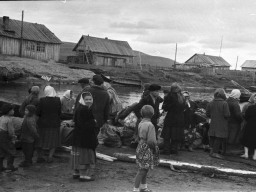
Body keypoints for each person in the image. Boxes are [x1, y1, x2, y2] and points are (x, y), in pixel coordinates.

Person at [72, 92, 98, 181]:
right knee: (86, 156)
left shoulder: (79, 108)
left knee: (77, 154)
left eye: (90, 99)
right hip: (85, 138)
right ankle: (84, 176)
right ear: (83, 100)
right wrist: (94, 122)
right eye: (86, 99)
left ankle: (76, 173)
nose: (89, 101)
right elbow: (84, 125)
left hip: (78, 137)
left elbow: (77, 122)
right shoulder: (85, 110)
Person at [133, 105, 159, 192]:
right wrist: (155, 148)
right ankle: (135, 189)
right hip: (147, 148)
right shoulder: (150, 125)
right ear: (152, 114)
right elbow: (151, 141)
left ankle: (143, 187)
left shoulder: (141, 123)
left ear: (141, 113)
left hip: (140, 146)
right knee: (143, 170)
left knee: (144, 168)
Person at [36, 85, 61, 163]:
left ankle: (40, 157)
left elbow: (38, 112)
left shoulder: (42, 100)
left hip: (43, 124)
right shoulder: (58, 100)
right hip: (54, 124)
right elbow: (59, 112)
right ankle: (50, 157)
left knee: (41, 140)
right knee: (53, 141)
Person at [161, 83, 185, 155]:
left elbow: (165, 108)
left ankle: (166, 150)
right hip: (180, 118)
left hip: (171, 117)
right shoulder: (182, 97)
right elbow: (184, 107)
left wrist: (165, 105)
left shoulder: (169, 96)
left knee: (167, 135)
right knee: (176, 134)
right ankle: (174, 150)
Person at [206, 88, 230, 159]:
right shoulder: (224, 103)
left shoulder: (210, 103)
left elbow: (207, 114)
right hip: (222, 123)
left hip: (213, 123)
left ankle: (211, 151)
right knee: (218, 138)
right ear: (223, 95)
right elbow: (227, 114)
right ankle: (215, 153)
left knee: (212, 137)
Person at [0, 104, 18, 172]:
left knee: (1, 151)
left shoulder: (1, 118)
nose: (13, 111)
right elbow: (11, 131)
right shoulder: (9, 120)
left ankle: (0, 167)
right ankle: (10, 166)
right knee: (11, 150)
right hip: (4, 136)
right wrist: (14, 137)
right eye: (12, 110)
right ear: (9, 111)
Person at [241, 94, 256, 159]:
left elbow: (246, 116)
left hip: (250, 125)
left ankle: (246, 154)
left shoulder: (250, 107)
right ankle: (255, 156)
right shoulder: (250, 107)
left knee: (246, 139)